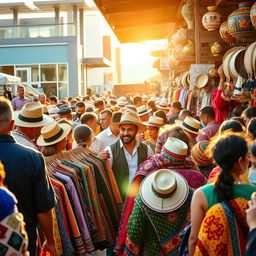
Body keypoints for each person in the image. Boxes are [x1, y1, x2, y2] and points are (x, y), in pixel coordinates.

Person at [0, 97, 56, 255]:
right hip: (22, 241)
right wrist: (50, 241)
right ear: (12, 124)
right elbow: (43, 207)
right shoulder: (32, 157)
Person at [189, 134, 256, 255]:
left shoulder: (201, 194)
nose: (249, 161)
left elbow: (193, 239)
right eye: (247, 157)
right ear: (240, 161)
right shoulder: (253, 194)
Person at [124, 169, 193, 256]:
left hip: (153, 251)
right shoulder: (191, 194)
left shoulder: (141, 202)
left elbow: (134, 231)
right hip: (185, 250)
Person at [100, 111, 153, 201]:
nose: (125, 133)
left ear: (136, 130)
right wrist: (99, 162)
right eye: (123, 129)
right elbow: (104, 179)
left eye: (130, 129)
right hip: (119, 201)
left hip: (140, 200)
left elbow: (151, 175)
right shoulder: (110, 150)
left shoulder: (147, 150)